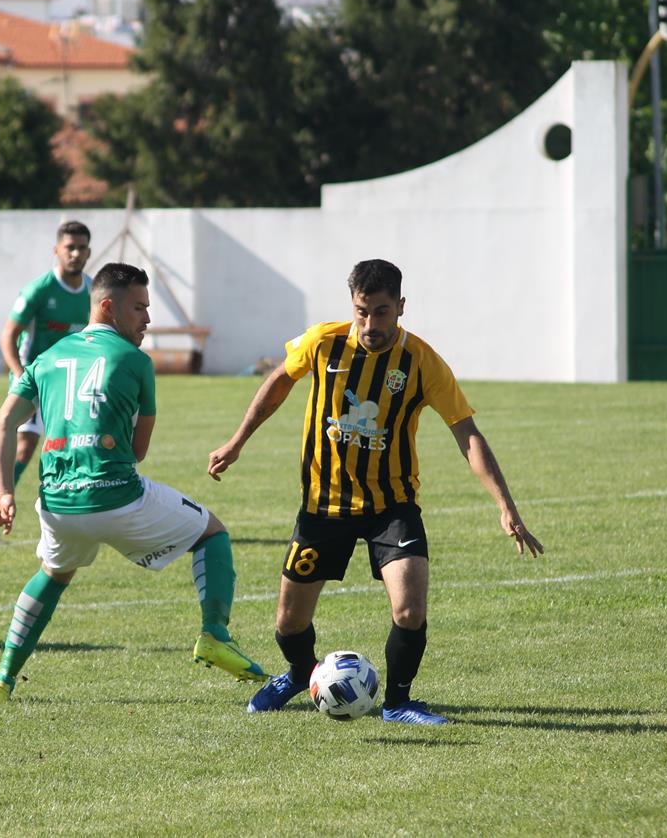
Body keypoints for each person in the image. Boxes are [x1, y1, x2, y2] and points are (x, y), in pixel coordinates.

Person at [207, 259, 543, 724]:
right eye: (362, 311)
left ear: (401, 307)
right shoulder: (323, 342)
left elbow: (466, 433)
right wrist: (237, 441)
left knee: (409, 609)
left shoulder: (422, 362)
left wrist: (505, 506)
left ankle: (399, 701)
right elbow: (281, 380)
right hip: (324, 507)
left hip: (392, 507)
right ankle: (300, 674)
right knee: (289, 623)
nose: (370, 324)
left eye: (382, 312)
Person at [0, 262, 268, 704]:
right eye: (139, 308)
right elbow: (137, 450)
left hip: (57, 504)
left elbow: (3, 422)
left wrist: (3, 491)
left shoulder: (46, 359)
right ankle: (214, 634)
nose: (147, 319)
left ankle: (1, 680)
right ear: (108, 307)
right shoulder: (135, 361)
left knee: (54, 575)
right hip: (118, 499)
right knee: (213, 534)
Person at [0, 220, 93, 546]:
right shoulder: (39, 290)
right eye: (70, 247)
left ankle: (79, 520)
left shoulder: (92, 292)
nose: (76, 253)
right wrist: (22, 375)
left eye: (81, 247)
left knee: (77, 446)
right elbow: (8, 336)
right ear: (57, 250)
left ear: (89, 252)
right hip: (33, 379)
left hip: (67, 385)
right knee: (23, 446)